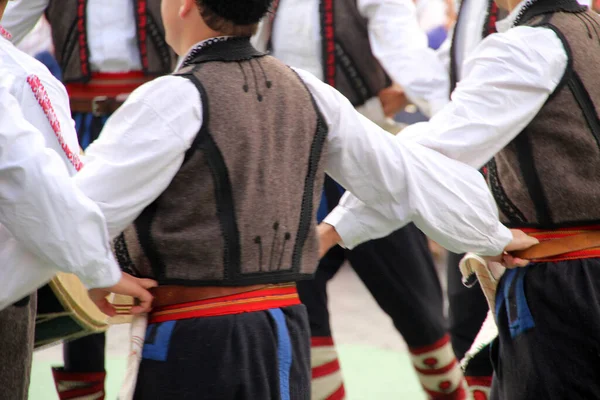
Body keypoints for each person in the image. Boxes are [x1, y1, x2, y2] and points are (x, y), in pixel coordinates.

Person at [71, 0, 532, 397]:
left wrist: (100, 273)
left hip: (191, 337)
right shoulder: (310, 91)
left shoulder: (167, 99)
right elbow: (407, 176)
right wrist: (492, 236)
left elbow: (79, 213)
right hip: (280, 334)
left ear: (186, 4)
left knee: (421, 317)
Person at [319, 0, 600, 398]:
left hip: (566, 282)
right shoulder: (589, 28)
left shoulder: (528, 46)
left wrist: (332, 230)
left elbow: (431, 156)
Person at [254, 1, 466, 398]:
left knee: (419, 312)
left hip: (364, 150)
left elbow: (403, 48)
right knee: (302, 308)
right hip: (287, 158)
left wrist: (451, 123)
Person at [2, 2, 175, 397]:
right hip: (81, 118)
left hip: (151, 122)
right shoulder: (22, 78)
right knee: (81, 245)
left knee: (154, 255)